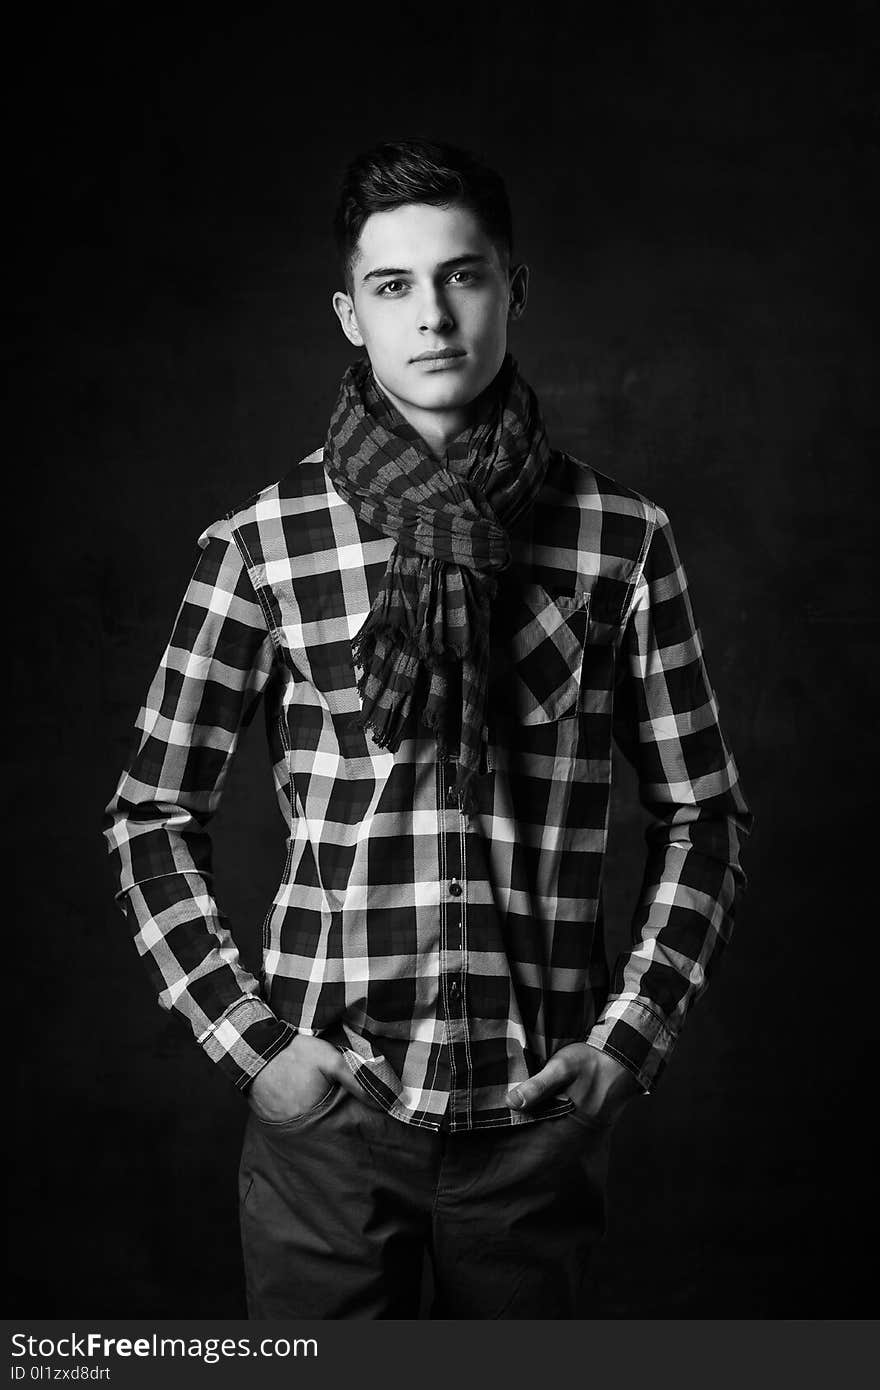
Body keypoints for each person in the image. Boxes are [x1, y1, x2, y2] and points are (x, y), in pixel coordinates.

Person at [102, 137, 753, 1319]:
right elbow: (150, 814)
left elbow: (703, 813)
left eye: (463, 276)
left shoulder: (619, 539)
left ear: (514, 289)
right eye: (395, 286)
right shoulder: (262, 543)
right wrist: (256, 1047)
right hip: (330, 1127)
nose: (434, 315)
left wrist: (626, 1041)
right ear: (350, 315)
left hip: (531, 1122)